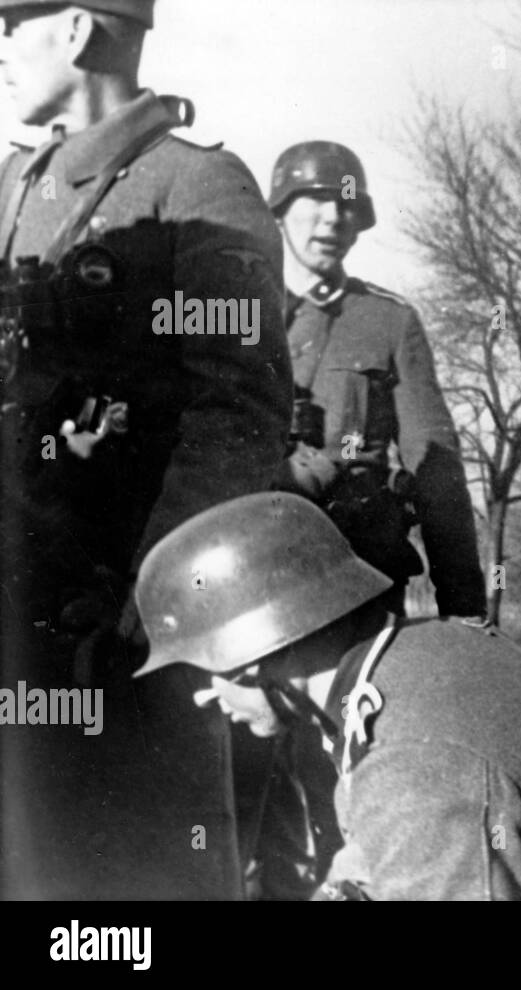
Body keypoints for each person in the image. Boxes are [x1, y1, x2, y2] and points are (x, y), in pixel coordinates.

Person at [0, 0, 291, 898]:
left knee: (131, 889)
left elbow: (237, 415)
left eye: (14, 25)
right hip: (18, 618)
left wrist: (154, 603)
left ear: (79, 29)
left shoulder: (195, 188)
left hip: (126, 635)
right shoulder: (11, 188)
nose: (2, 49)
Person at [131, 491, 521, 901]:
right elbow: (386, 848)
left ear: (251, 659)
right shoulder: (416, 663)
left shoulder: (411, 754)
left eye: (207, 672)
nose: (207, 697)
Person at [267, 140, 485, 618]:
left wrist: (462, 603)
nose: (333, 219)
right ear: (280, 212)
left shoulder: (389, 321)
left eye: (347, 206)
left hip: (359, 576)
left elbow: (436, 469)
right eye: (317, 201)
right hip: (254, 572)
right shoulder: (238, 312)